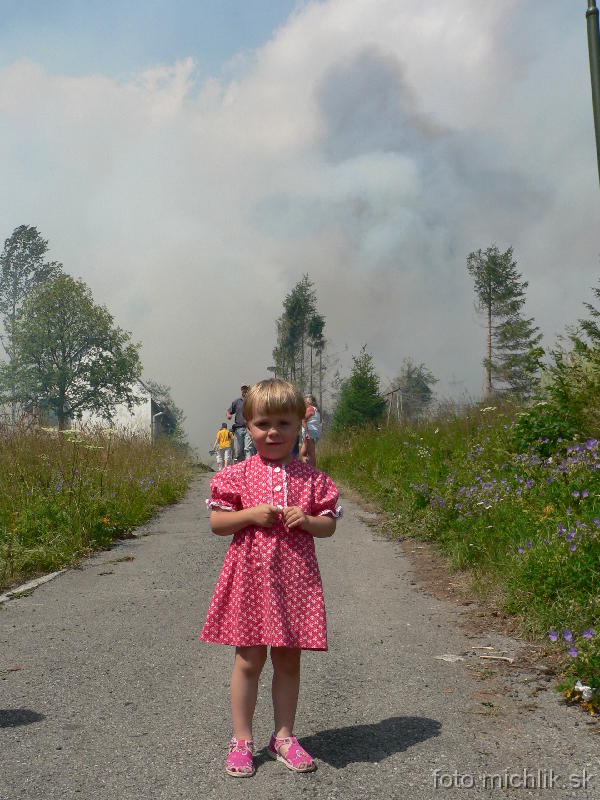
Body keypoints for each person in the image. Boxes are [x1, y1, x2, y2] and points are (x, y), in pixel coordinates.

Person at [201, 379, 342, 777]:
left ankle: (283, 736)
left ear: (300, 425)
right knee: (248, 659)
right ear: (247, 426)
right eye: (263, 423)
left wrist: (309, 520)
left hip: (295, 581)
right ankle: (241, 738)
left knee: (288, 660)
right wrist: (248, 515)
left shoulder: (313, 479)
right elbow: (217, 522)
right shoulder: (238, 475)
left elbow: (329, 526)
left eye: (284, 422)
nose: (273, 432)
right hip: (249, 579)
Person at [226, 385, 251, 463]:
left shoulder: (252, 401)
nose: (245, 390)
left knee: (248, 448)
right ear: (241, 390)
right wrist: (229, 415)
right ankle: (240, 467)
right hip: (238, 429)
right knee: (239, 450)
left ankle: (248, 468)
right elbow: (229, 411)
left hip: (249, 428)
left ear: (249, 390)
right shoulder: (237, 402)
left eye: (246, 389)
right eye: (243, 389)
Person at [300, 395, 321, 467]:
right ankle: (306, 469)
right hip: (312, 432)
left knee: (311, 453)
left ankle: (313, 472)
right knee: (303, 452)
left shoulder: (310, 408)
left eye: (304, 401)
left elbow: (303, 420)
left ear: (308, 401)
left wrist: (307, 433)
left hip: (310, 432)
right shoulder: (316, 409)